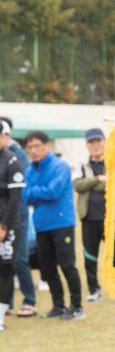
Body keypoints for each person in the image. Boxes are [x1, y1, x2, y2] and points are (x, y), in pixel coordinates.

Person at [23, 131, 83, 320]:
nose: (33, 150)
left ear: (47, 146)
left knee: (67, 265)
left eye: (37, 146)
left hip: (61, 222)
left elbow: (53, 192)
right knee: (47, 268)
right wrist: (37, 192)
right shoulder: (30, 170)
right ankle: (58, 306)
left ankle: (77, 306)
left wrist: (35, 192)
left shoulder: (60, 166)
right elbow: (25, 196)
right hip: (41, 225)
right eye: (30, 147)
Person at [0, 117, 36, 317]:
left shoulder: (16, 155)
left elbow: (17, 192)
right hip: (6, 213)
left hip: (16, 215)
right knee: (6, 263)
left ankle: (29, 299)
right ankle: (8, 304)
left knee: (19, 259)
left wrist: (5, 224)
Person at [73, 127, 107, 301]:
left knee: (113, 256)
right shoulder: (82, 164)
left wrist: (94, 183)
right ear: (87, 145)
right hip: (89, 216)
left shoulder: (112, 162)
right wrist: (97, 179)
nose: (95, 146)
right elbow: (78, 185)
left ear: (104, 142)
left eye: (98, 141)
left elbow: (110, 185)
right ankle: (94, 289)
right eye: (91, 142)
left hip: (109, 218)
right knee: (90, 255)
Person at [0, 120, 25, 329]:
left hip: (7, 225)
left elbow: (14, 198)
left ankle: (0, 317)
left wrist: (4, 226)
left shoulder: (13, 161)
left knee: (5, 268)